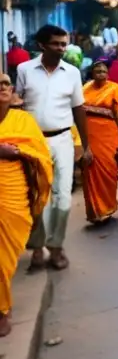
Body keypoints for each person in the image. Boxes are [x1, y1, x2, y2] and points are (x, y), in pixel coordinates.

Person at [16, 25, 90, 272]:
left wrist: (86, 147)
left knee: (63, 195)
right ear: (42, 45)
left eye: (63, 43)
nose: (61, 48)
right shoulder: (24, 70)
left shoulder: (72, 73)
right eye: (56, 44)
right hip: (32, 142)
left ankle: (56, 247)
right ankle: (37, 247)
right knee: (37, 194)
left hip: (63, 140)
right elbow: (16, 105)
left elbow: (79, 109)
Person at [0, 73, 52, 337]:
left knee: (4, 258)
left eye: (5, 83)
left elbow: (41, 155)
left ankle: (2, 310)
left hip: (13, 193)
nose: (2, 88)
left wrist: (17, 152)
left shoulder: (23, 121)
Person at [80, 61, 118, 225]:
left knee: (108, 171)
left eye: (104, 71)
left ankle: (107, 207)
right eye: (97, 70)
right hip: (88, 135)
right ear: (92, 73)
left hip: (108, 136)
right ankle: (95, 212)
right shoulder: (84, 89)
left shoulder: (116, 90)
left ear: (108, 74)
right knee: (89, 170)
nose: (101, 73)